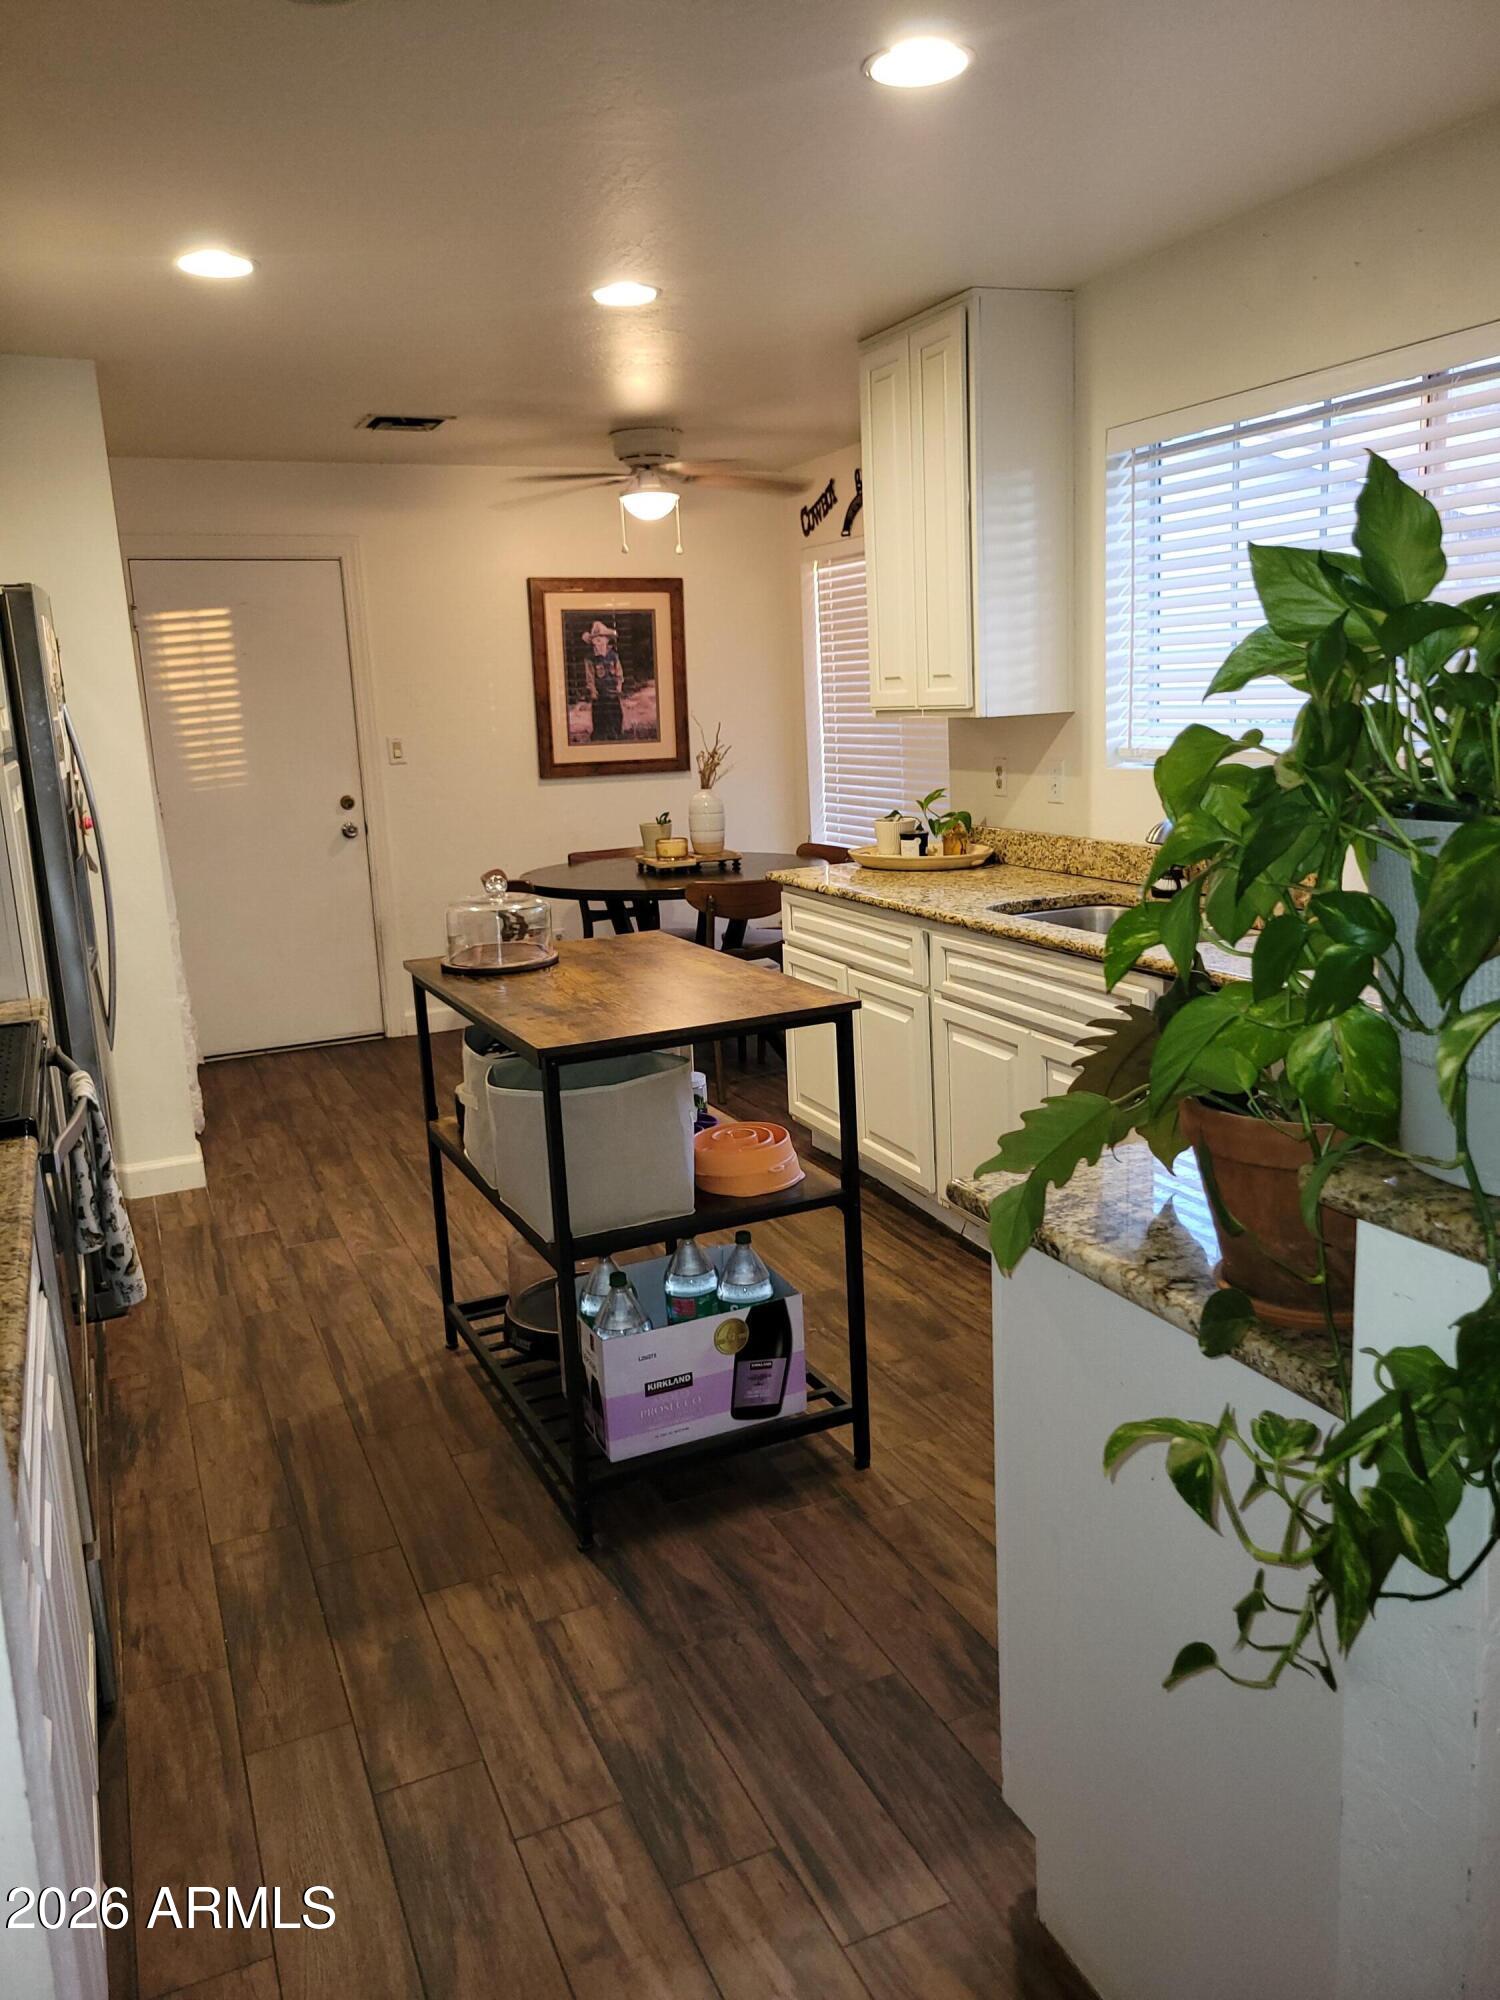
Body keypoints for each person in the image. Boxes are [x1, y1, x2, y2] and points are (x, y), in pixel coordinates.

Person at [581, 619, 624, 741]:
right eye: (595, 641)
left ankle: (616, 733)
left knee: (615, 713)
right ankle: (600, 735)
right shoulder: (590, 659)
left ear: (606, 640)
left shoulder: (613, 656)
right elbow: (589, 676)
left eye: (600, 640)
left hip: (612, 692)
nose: (597, 644)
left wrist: (619, 685)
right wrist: (593, 690)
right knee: (600, 714)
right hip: (600, 694)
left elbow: (619, 672)